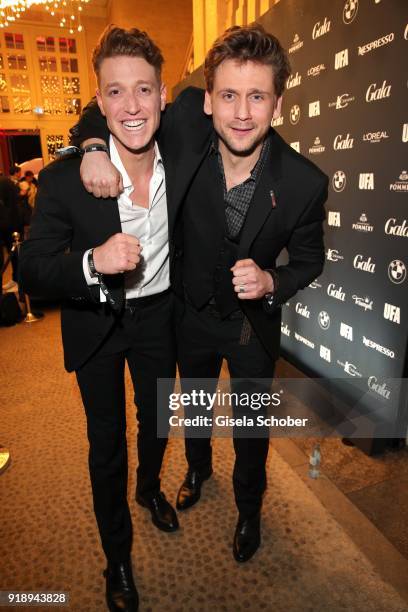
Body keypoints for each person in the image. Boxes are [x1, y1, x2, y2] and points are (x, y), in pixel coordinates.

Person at [72, 24, 328, 564]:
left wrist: (272, 282)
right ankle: (196, 469)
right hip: (186, 315)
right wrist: (93, 146)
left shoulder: (305, 182)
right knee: (191, 406)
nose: (241, 112)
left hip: (250, 327)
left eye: (257, 97)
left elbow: (310, 261)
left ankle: (249, 510)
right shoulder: (185, 121)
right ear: (206, 100)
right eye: (229, 95)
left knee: (251, 431)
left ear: (277, 105)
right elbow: (115, 101)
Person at [20, 26, 181, 612]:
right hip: (98, 322)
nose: (131, 106)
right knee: (105, 441)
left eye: (144, 90)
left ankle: (149, 490)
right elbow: (31, 267)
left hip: (160, 315)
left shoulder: (185, 150)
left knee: (159, 418)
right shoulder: (67, 178)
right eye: (115, 92)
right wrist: (93, 261)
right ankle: (116, 555)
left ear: (164, 94)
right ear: (98, 97)